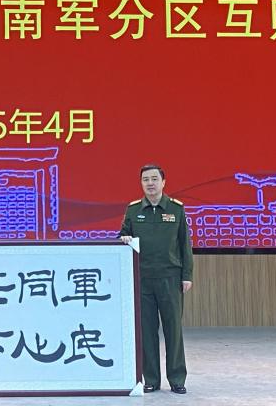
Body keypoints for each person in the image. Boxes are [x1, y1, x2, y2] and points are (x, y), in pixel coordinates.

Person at [119, 164, 193, 395]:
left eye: (154, 179)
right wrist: (124, 238)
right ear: (141, 183)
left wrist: (187, 275)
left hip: (170, 278)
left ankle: (177, 379)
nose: (150, 183)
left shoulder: (176, 209)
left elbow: (185, 245)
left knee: (173, 330)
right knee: (147, 331)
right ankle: (150, 379)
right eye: (145, 179)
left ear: (163, 182)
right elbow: (122, 236)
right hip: (142, 279)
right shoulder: (133, 210)